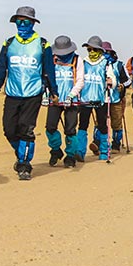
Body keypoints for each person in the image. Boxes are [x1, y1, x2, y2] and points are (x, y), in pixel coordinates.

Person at [0, 6, 57, 181]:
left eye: (25, 21)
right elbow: (2, 68)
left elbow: (49, 70)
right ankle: (21, 154)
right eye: (18, 21)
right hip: (12, 93)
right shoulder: (9, 43)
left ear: (33, 23)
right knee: (9, 129)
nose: (22, 24)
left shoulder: (43, 45)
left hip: (33, 94)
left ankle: (24, 165)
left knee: (26, 130)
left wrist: (53, 92)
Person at [45, 35, 84, 167]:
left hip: (71, 101)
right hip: (55, 99)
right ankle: (56, 150)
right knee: (50, 127)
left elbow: (80, 80)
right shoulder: (51, 60)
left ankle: (70, 155)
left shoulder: (77, 60)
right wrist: (47, 95)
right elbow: (47, 78)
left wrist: (71, 95)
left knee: (70, 130)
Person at [77, 36, 116, 162]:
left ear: (100, 50)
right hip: (85, 99)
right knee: (82, 125)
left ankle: (104, 151)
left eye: (94, 49)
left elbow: (112, 79)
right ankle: (80, 152)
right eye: (89, 50)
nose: (92, 52)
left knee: (102, 126)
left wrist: (111, 82)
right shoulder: (83, 62)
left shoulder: (106, 64)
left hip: (101, 99)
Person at [101, 41, 130, 152]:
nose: (104, 54)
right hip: (101, 99)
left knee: (116, 123)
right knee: (100, 123)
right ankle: (99, 143)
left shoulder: (119, 65)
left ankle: (116, 144)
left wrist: (122, 85)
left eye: (106, 52)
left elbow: (128, 80)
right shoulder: (98, 64)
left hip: (116, 99)